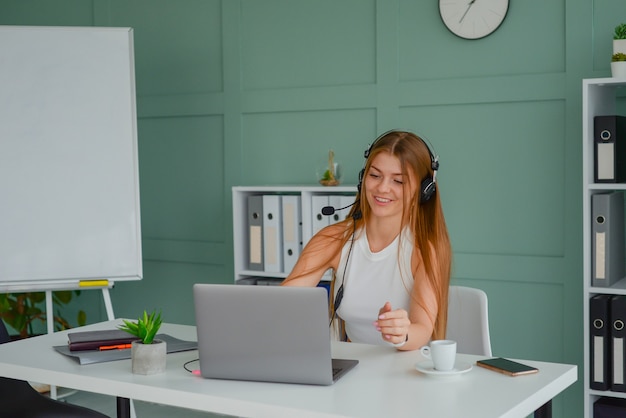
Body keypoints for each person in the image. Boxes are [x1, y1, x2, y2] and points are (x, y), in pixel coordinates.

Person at [282, 130, 452, 351]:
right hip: (354, 368)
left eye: (398, 181)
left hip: (407, 371)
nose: (382, 188)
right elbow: (282, 302)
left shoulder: (423, 250)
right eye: (375, 175)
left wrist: (401, 333)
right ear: (363, 178)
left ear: (423, 191)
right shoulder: (332, 240)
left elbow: (422, 330)